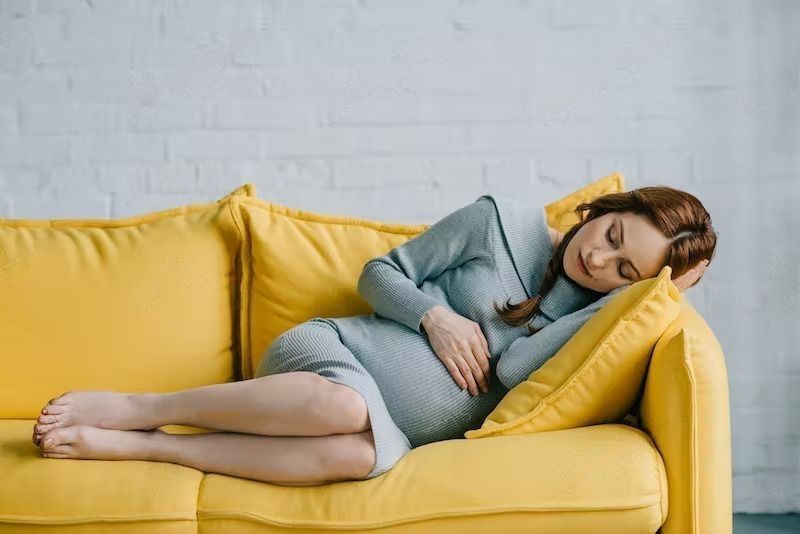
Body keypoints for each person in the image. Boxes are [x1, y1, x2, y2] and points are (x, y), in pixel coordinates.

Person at [31, 186, 717, 487]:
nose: (599, 259)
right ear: (603, 210)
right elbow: (379, 273)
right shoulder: (498, 221)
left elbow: (512, 374)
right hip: (330, 356)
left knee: (362, 454)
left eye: (624, 270)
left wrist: (635, 298)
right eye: (611, 235)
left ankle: (144, 451)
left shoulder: (589, 319)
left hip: (385, 427)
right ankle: (143, 409)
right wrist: (433, 316)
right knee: (343, 407)